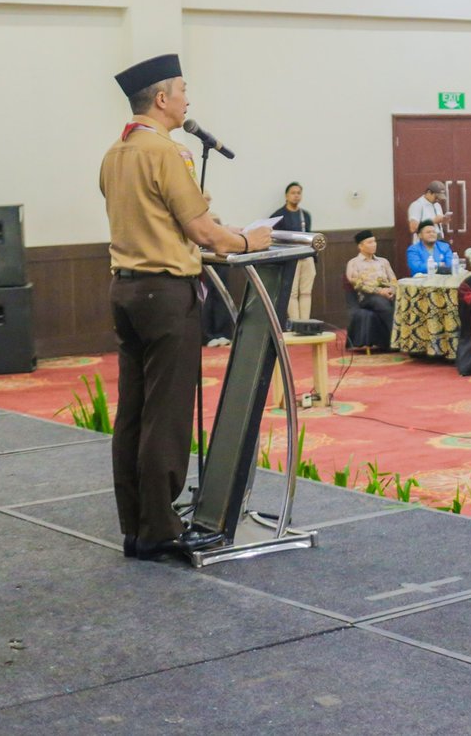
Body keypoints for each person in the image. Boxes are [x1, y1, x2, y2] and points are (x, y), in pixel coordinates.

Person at [101, 53, 271, 559]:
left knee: (133, 411)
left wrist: (214, 227)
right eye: (183, 91)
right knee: (167, 415)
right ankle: (161, 527)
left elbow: (160, 218)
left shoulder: (116, 152)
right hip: (165, 294)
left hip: (126, 290)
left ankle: (136, 524)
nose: (188, 100)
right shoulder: (166, 153)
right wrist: (250, 242)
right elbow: (200, 232)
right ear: (161, 98)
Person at [269, 181, 316, 322]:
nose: (296, 196)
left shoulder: (305, 215)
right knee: (292, 292)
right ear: (286, 196)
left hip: (307, 256)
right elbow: (274, 238)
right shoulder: (278, 215)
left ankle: (305, 323)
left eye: (299, 193)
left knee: (306, 291)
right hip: (290, 258)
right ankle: (296, 323)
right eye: (293, 193)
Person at [346, 231, 397, 337]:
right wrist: (379, 291)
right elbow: (357, 284)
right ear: (360, 246)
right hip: (367, 296)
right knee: (382, 303)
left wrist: (392, 290)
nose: (374, 244)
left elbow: (393, 279)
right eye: (369, 242)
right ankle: (394, 339)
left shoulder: (383, 261)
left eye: (374, 241)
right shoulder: (353, 263)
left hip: (387, 293)